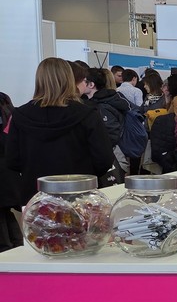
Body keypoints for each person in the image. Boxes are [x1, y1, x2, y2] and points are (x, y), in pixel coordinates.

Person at [5, 58, 114, 208]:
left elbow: (12, 160)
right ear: (69, 79)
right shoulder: (87, 114)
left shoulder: (20, 115)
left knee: (39, 224)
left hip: (36, 196)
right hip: (79, 195)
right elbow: (104, 159)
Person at [0, 91, 21, 251]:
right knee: (5, 213)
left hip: (4, 170)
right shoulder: (4, 100)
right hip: (8, 170)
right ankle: (16, 246)